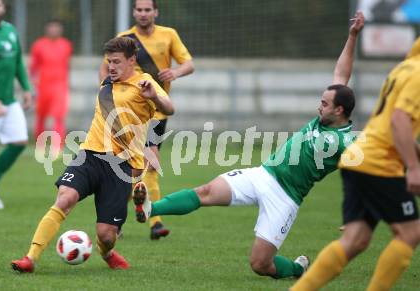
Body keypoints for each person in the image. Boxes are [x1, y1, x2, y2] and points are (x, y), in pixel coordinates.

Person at [132, 12, 365, 280]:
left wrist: (357, 216)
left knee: (260, 264)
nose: (318, 106)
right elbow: (341, 73)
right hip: (263, 174)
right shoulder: (327, 115)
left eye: (324, 104)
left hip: (286, 198)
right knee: (206, 191)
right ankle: (151, 208)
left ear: (340, 110)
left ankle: (298, 269)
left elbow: (367, 176)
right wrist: (352, 36)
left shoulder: (348, 142)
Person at [11, 36, 174, 273]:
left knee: (106, 235)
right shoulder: (106, 83)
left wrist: (155, 97)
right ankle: (30, 258)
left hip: (122, 165)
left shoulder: (145, 83)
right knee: (65, 198)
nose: (111, 66)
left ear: (132, 60)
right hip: (90, 154)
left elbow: (170, 108)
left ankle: (107, 252)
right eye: (109, 61)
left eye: (117, 61)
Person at [290, 36, 420, 291]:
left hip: (359, 158)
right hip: (379, 164)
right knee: (410, 233)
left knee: (355, 240)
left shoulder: (405, 68)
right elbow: (399, 122)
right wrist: (413, 167)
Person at [99, 0, 194, 240]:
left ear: (155, 12)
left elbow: (188, 64)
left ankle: (123, 220)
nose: (143, 14)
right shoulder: (125, 38)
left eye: (147, 9)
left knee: (141, 166)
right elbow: (105, 69)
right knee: (141, 165)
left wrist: (175, 72)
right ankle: (155, 222)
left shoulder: (168, 35)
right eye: (139, 10)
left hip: (157, 111)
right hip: (131, 112)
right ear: (133, 12)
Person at [0, 0, 32, 210]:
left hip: (9, 101)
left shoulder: (10, 30)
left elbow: (18, 60)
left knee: (19, 142)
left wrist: (26, 88)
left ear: (3, 7)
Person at [30, 19, 73, 155]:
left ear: (61, 30)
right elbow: (33, 67)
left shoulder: (66, 45)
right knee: (41, 117)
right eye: (51, 28)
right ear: (47, 29)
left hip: (60, 86)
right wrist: (32, 86)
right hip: (42, 86)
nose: (54, 30)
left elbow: (67, 66)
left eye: (56, 28)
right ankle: (40, 145)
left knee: (59, 117)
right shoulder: (38, 45)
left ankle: (57, 147)